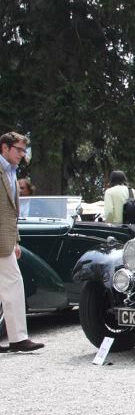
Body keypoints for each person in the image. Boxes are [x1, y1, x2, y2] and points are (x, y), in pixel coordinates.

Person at [0, 131, 44, 352]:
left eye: (23, 151)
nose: (22, 155)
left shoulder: (12, 172)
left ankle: (18, 338)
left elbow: (10, 212)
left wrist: (15, 241)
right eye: (18, 150)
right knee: (14, 285)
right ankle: (18, 339)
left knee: (8, 287)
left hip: (6, 239)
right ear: (5, 148)